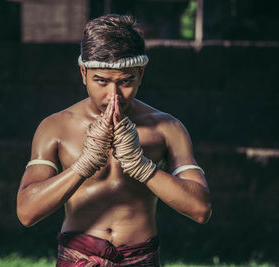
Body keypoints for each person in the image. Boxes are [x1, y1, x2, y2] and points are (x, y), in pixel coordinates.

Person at [17, 14, 212, 266]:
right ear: (83, 72)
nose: (114, 96)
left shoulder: (167, 127)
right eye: (101, 81)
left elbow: (201, 209)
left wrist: (141, 166)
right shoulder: (56, 127)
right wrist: (83, 165)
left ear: (141, 74)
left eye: (126, 81)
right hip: (78, 259)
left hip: (141, 258)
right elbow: (26, 212)